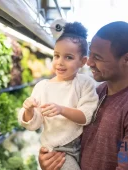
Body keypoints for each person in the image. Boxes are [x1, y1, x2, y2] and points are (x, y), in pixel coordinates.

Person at [38, 21, 128, 170]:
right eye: (90, 54)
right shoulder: (98, 91)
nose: (89, 62)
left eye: (98, 57)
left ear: (127, 59)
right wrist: (53, 160)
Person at [18, 22, 99, 170]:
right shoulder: (42, 87)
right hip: (58, 150)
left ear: (83, 62)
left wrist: (61, 109)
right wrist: (29, 110)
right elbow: (34, 124)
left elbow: (86, 117)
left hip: (81, 146)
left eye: (68, 57)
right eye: (56, 56)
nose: (60, 62)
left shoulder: (85, 83)